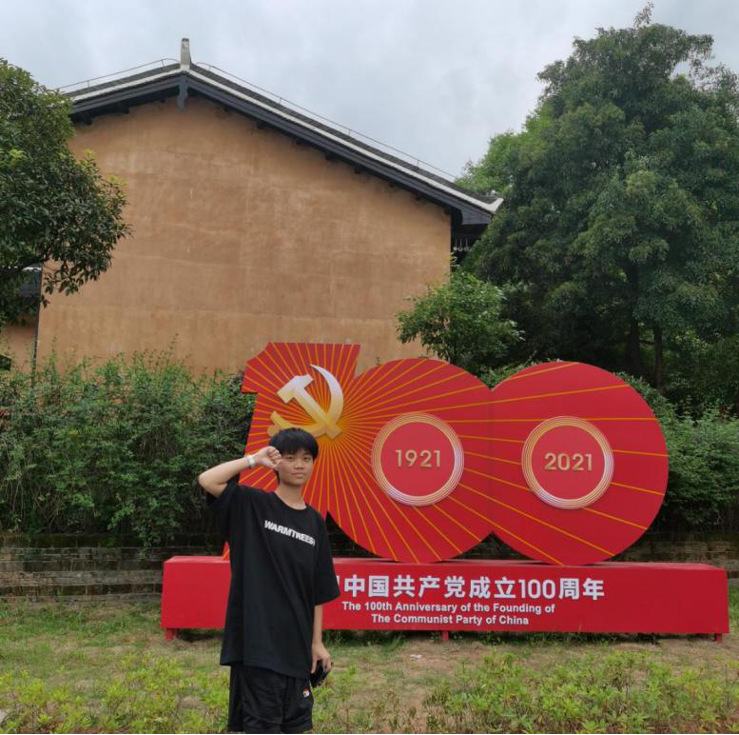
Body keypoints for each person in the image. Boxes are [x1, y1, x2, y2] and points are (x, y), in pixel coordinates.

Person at [198, 427, 341, 734]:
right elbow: (208, 480)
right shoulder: (252, 505)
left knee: (296, 727)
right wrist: (254, 459)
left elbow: (317, 589)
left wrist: (316, 643)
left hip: (297, 649)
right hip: (258, 645)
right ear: (277, 463)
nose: (299, 465)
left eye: (306, 458)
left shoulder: (314, 522)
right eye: (290, 458)